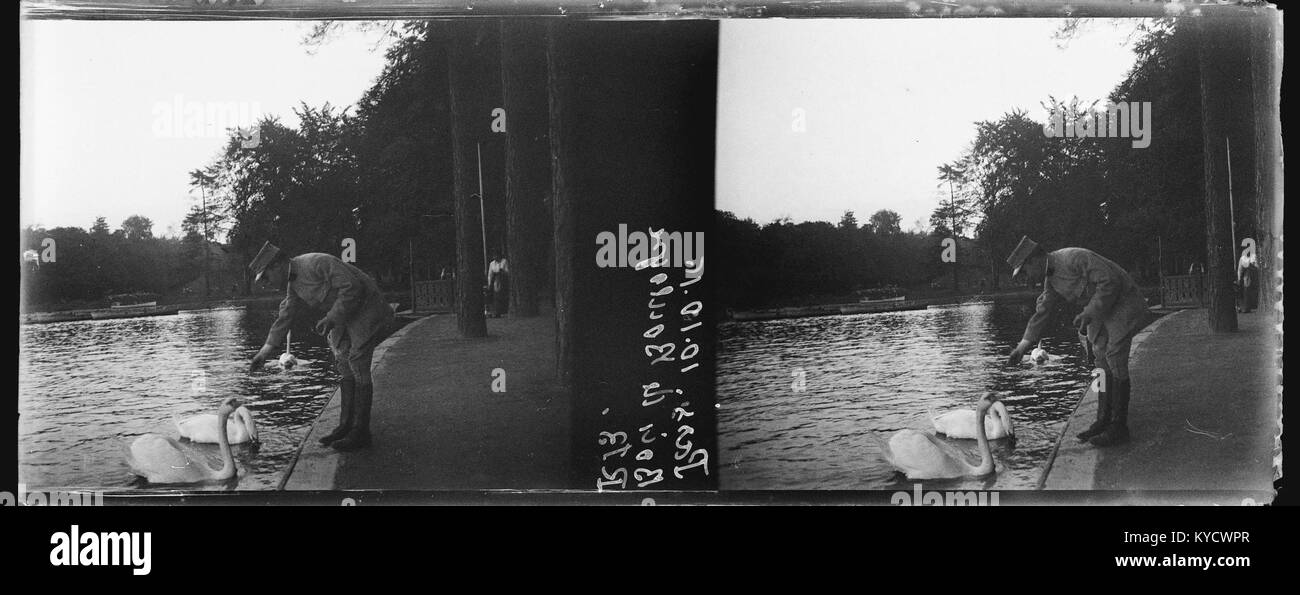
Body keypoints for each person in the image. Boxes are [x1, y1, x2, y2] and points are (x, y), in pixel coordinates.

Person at [246, 242, 395, 451]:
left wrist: (331, 317)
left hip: (366, 307)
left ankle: (361, 432)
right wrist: (264, 352)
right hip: (344, 315)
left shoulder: (317, 263)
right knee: (342, 361)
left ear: (277, 266)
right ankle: (346, 426)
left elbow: (353, 287)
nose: (265, 283)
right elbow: (286, 315)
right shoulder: (293, 285)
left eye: (266, 277)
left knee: (357, 361)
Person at [1005, 236, 1151, 447]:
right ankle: (1103, 420)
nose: (1025, 278)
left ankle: (1119, 427)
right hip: (1101, 312)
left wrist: (1088, 313)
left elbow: (1110, 281)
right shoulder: (1051, 281)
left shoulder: (1075, 257)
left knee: (1114, 355)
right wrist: (1021, 347)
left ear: (1034, 261)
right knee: (1099, 360)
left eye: (1025, 271)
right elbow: (1042, 311)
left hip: (1123, 303)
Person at [1236, 249, 1259, 313]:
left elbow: (1240, 270)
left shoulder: (1247, 258)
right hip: (1248, 276)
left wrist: (1239, 279)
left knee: (1246, 290)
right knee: (1246, 290)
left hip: (1248, 276)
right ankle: (1245, 307)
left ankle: (1245, 307)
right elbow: (1240, 270)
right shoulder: (1245, 258)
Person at [488, 252, 509, 318]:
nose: (495, 257)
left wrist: (503, 271)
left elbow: (507, 271)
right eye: (494, 256)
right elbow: (490, 274)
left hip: (503, 280)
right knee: (495, 296)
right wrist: (489, 283)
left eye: (496, 255)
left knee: (501, 295)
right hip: (495, 280)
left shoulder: (504, 261)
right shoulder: (492, 263)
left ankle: (503, 311)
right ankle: (496, 311)